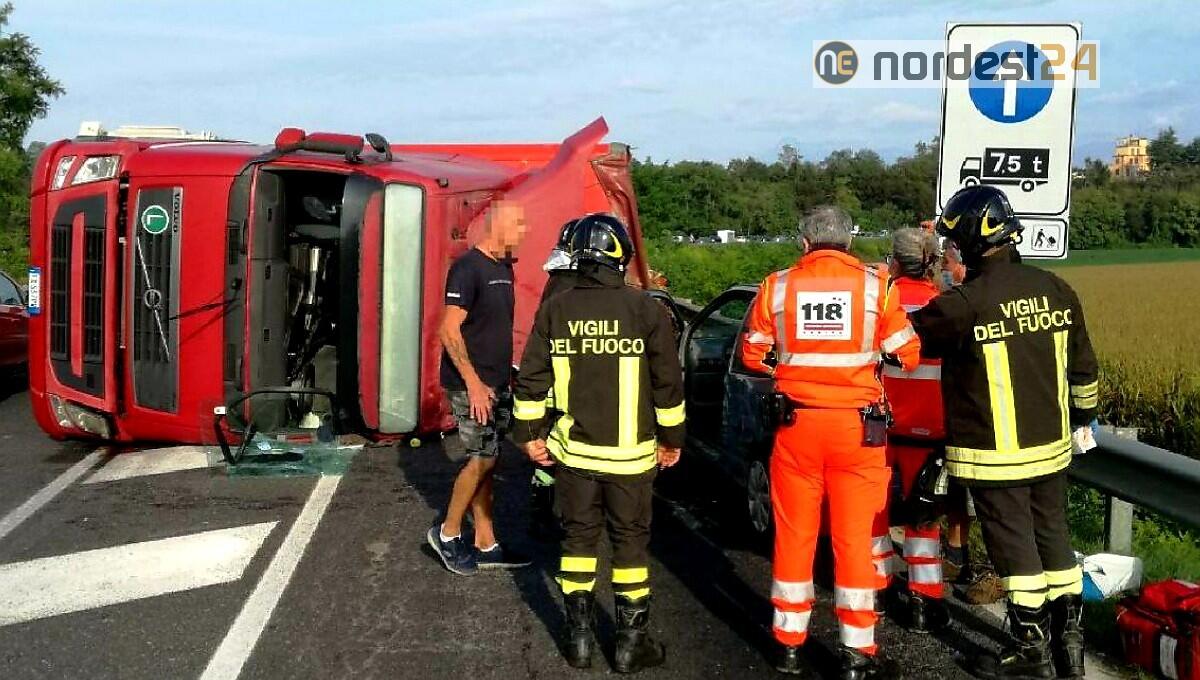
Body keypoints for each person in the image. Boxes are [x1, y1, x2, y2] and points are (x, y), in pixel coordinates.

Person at [911, 185, 1098, 680]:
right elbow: (1085, 375)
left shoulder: (962, 304)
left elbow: (908, 334)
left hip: (996, 456)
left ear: (971, 243)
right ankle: (1070, 648)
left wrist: (930, 272)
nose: (950, 251)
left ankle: (1030, 652)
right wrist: (1081, 421)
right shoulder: (1058, 288)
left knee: (1015, 553)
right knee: (1055, 544)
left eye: (953, 243)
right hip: (1053, 451)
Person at [741, 206, 921, 679]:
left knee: (795, 537)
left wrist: (792, 367)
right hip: (858, 435)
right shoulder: (875, 287)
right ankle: (857, 654)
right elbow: (908, 353)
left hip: (796, 429)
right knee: (853, 541)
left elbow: (753, 353)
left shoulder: (776, 286)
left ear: (804, 244)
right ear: (850, 241)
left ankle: (787, 644)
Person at [511, 213, 685, 674]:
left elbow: (530, 383)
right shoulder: (647, 309)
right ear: (619, 255)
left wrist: (528, 438)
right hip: (632, 458)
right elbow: (668, 385)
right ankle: (631, 644)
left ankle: (579, 640)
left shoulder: (555, 309)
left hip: (574, 457)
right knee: (630, 543)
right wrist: (672, 441)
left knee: (578, 540)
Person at [427, 200, 533, 575]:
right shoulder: (468, 268)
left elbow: (493, 329)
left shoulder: (503, 268)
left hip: (497, 382)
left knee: (490, 459)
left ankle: (485, 541)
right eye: (518, 224)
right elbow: (448, 329)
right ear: (496, 226)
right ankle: (448, 532)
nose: (524, 232)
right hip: (469, 385)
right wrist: (473, 383)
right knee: (483, 456)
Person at [869, 227, 951, 633]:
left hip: (880, 426)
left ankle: (878, 590)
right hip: (932, 430)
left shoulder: (880, 302)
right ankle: (924, 602)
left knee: (876, 513)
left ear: (895, 261)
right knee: (924, 519)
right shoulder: (946, 304)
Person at [528, 218, 581, 541]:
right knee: (561, 448)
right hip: (566, 382)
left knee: (548, 448)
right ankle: (555, 508)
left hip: (553, 381)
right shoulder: (571, 283)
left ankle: (543, 498)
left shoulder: (557, 279)